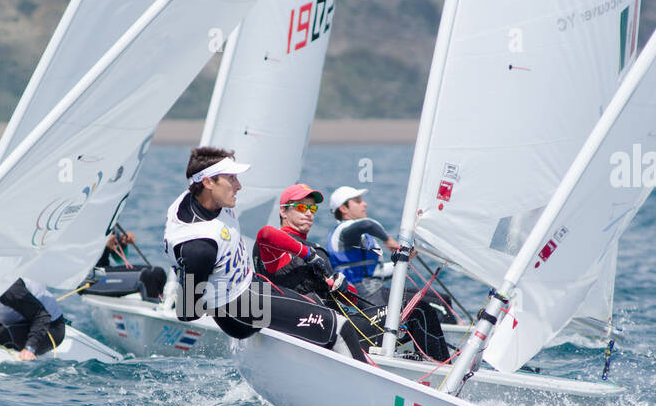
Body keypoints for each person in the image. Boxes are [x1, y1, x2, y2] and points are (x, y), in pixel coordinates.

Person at [162, 147, 368, 362]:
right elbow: (187, 311)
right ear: (208, 182)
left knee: (318, 307)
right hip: (241, 309)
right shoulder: (199, 246)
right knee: (338, 326)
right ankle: (370, 388)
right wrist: (209, 294)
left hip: (253, 285)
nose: (238, 186)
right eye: (231, 178)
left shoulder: (201, 197)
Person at [256, 184, 450, 361]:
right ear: (283, 211)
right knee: (419, 311)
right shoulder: (277, 248)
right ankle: (443, 377)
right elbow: (265, 234)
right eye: (301, 207)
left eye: (312, 208)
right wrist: (307, 254)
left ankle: (435, 370)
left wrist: (342, 286)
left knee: (418, 310)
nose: (308, 213)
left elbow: (352, 300)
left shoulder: (315, 248)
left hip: (338, 326)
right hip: (317, 331)